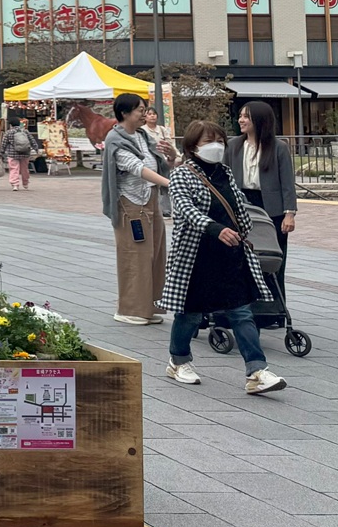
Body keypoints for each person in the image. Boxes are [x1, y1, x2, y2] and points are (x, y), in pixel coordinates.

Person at [162, 119, 288, 393]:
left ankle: (257, 371)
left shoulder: (226, 174)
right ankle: (178, 361)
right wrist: (215, 229)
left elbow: (239, 208)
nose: (216, 146)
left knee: (242, 312)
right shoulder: (182, 175)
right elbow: (185, 209)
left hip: (230, 253)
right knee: (190, 314)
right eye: (208, 142)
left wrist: (243, 231)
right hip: (196, 257)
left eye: (220, 141)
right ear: (193, 146)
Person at [100, 93, 173, 325]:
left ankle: (147, 308)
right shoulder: (115, 139)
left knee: (156, 254)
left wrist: (170, 157)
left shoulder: (143, 135)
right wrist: (171, 184)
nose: (145, 114)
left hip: (151, 198)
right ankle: (129, 309)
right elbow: (136, 167)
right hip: (130, 203)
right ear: (125, 113)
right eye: (140, 110)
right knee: (135, 255)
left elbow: (158, 163)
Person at [236, 100, 296, 300]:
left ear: (259, 120)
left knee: (273, 257)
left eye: (246, 116)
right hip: (242, 203)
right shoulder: (234, 145)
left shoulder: (278, 147)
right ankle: (248, 303)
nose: (240, 120)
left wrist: (289, 214)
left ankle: (275, 306)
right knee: (242, 256)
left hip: (272, 208)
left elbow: (288, 183)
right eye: (241, 115)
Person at [0, 114, 36, 191]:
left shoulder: (8, 132)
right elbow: (32, 140)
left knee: (14, 169)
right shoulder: (25, 131)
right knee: (25, 169)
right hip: (25, 153)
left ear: (10, 124)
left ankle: (15, 184)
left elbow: (4, 143)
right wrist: (36, 148)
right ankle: (25, 183)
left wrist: (1, 152)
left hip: (13, 154)